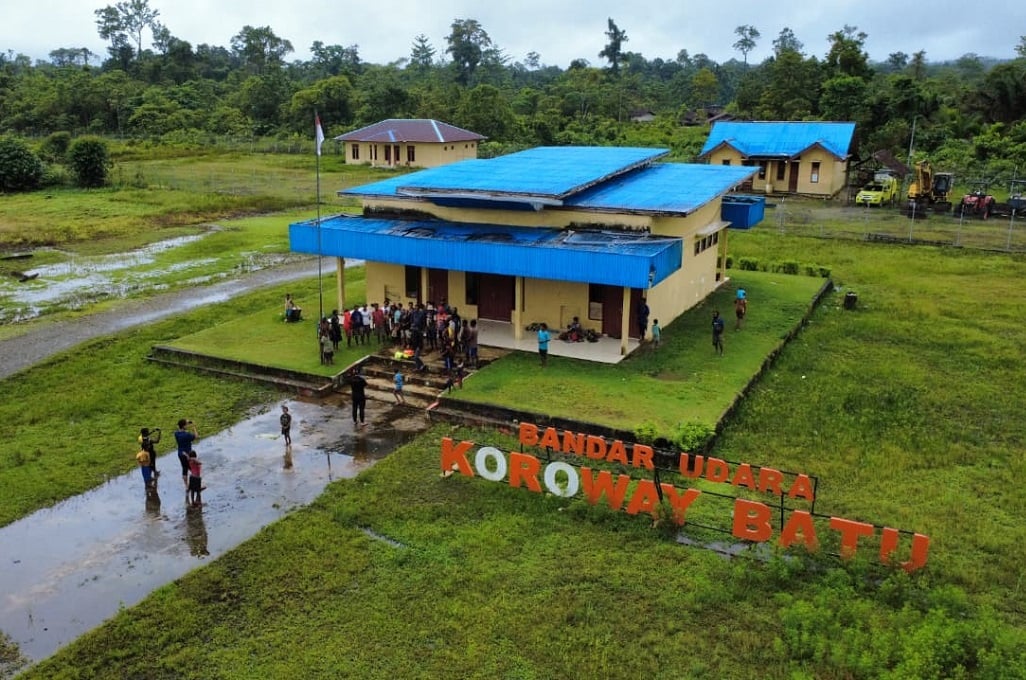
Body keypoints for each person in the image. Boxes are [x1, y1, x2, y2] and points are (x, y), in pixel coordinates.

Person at [174, 419, 198, 489]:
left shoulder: (176, 433)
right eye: (186, 424)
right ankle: (196, 485)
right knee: (194, 469)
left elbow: (181, 426)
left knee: (184, 469)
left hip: (181, 453)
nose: (187, 425)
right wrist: (194, 427)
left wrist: (186, 422)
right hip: (188, 454)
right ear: (184, 426)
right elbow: (196, 436)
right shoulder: (187, 435)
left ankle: (187, 486)